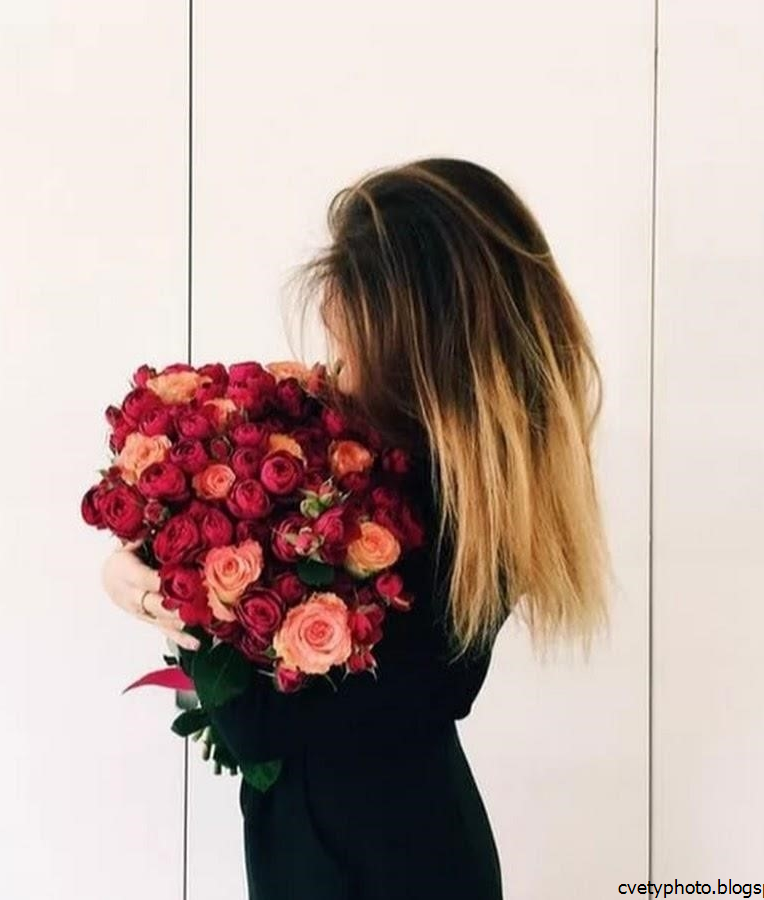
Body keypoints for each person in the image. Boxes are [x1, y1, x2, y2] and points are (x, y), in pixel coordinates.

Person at [100, 157, 613, 899]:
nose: (335, 375)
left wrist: (175, 584)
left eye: (352, 348)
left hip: (383, 872)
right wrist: (155, 544)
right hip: (341, 852)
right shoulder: (384, 469)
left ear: (421, 351)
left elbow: (260, 724)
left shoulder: (458, 522)